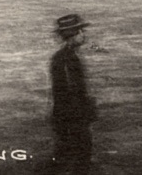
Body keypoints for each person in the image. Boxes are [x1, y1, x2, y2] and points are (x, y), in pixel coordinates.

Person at [49, 14, 96, 173]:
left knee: (70, 158)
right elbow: (71, 92)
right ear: (71, 34)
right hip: (73, 119)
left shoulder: (64, 56)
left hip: (69, 118)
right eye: (80, 31)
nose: (84, 34)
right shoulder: (66, 58)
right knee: (77, 158)